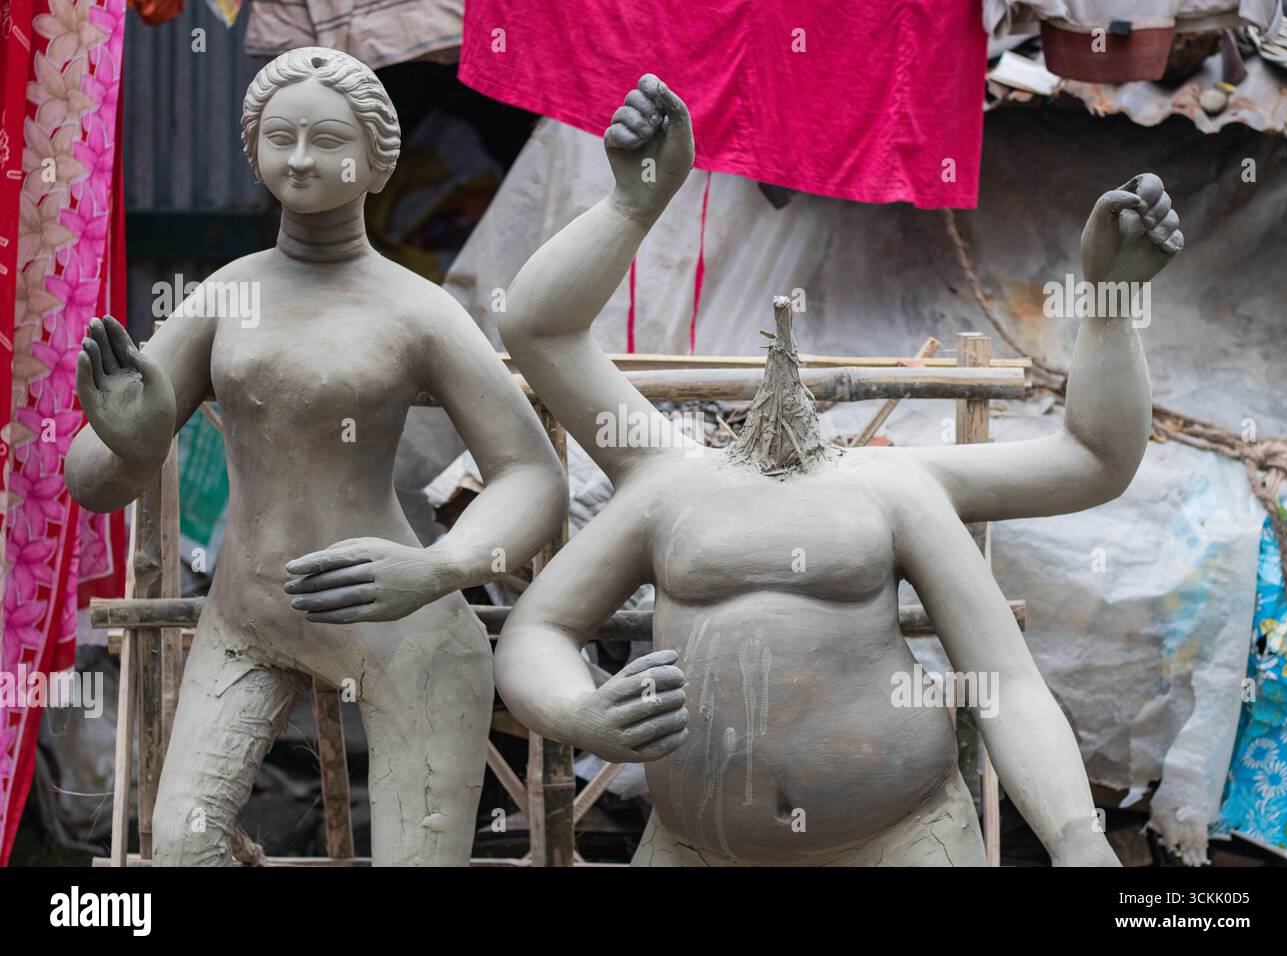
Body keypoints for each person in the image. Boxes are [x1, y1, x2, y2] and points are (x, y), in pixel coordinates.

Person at [493, 74, 1183, 866]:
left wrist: (1074, 835)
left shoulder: (894, 488)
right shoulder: (665, 481)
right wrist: (632, 204)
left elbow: (1089, 471)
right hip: (695, 847)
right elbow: (539, 333)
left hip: (900, 838)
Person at [66, 47, 568, 866]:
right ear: (254, 152)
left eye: (327, 139)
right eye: (280, 137)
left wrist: (439, 567)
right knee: (180, 852)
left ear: (376, 163)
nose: (300, 158)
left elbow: (533, 476)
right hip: (245, 619)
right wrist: (134, 438)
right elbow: (92, 483)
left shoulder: (419, 310)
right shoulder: (227, 294)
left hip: (402, 623)